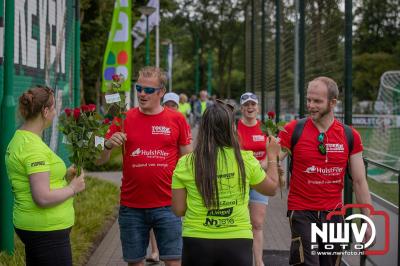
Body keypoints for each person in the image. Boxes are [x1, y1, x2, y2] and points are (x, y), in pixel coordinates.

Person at [97, 66, 192, 266]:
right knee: (134, 262)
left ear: (161, 92)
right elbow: (99, 160)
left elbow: (188, 161)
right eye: (139, 88)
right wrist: (106, 145)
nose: (141, 93)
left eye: (148, 90)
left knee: (174, 261)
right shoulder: (123, 118)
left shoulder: (177, 119)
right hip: (132, 207)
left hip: (168, 205)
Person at [171, 101, 281, 266]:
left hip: (197, 239)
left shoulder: (186, 163)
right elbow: (272, 189)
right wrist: (272, 156)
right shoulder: (245, 159)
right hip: (237, 240)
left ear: (203, 129)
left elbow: (179, 210)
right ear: (231, 129)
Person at [278, 77, 373, 266]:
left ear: (333, 103)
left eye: (317, 101)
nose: (311, 105)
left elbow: (359, 181)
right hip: (302, 212)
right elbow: (270, 161)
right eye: (308, 100)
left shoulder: (349, 135)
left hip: (334, 215)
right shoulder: (293, 130)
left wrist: (368, 222)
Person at [5, 85, 85, 266]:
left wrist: (63, 175)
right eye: (54, 107)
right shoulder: (33, 149)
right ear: (45, 111)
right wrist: (73, 188)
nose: (56, 112)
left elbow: (33, 177)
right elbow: (42, 197)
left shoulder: (21, 137)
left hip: (35, 228)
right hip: (47, 231)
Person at [237, 92, 269, 266]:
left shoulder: (265, 128)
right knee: (241, 223)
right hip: (239, 180)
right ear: (241, 108)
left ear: (258, 107)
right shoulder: (234, 129)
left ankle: (258, 261)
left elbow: (273, 151)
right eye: (246, 105)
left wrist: (266, 165)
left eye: (253, 104)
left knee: (257, 223)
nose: (250, 108)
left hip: (259, 180)